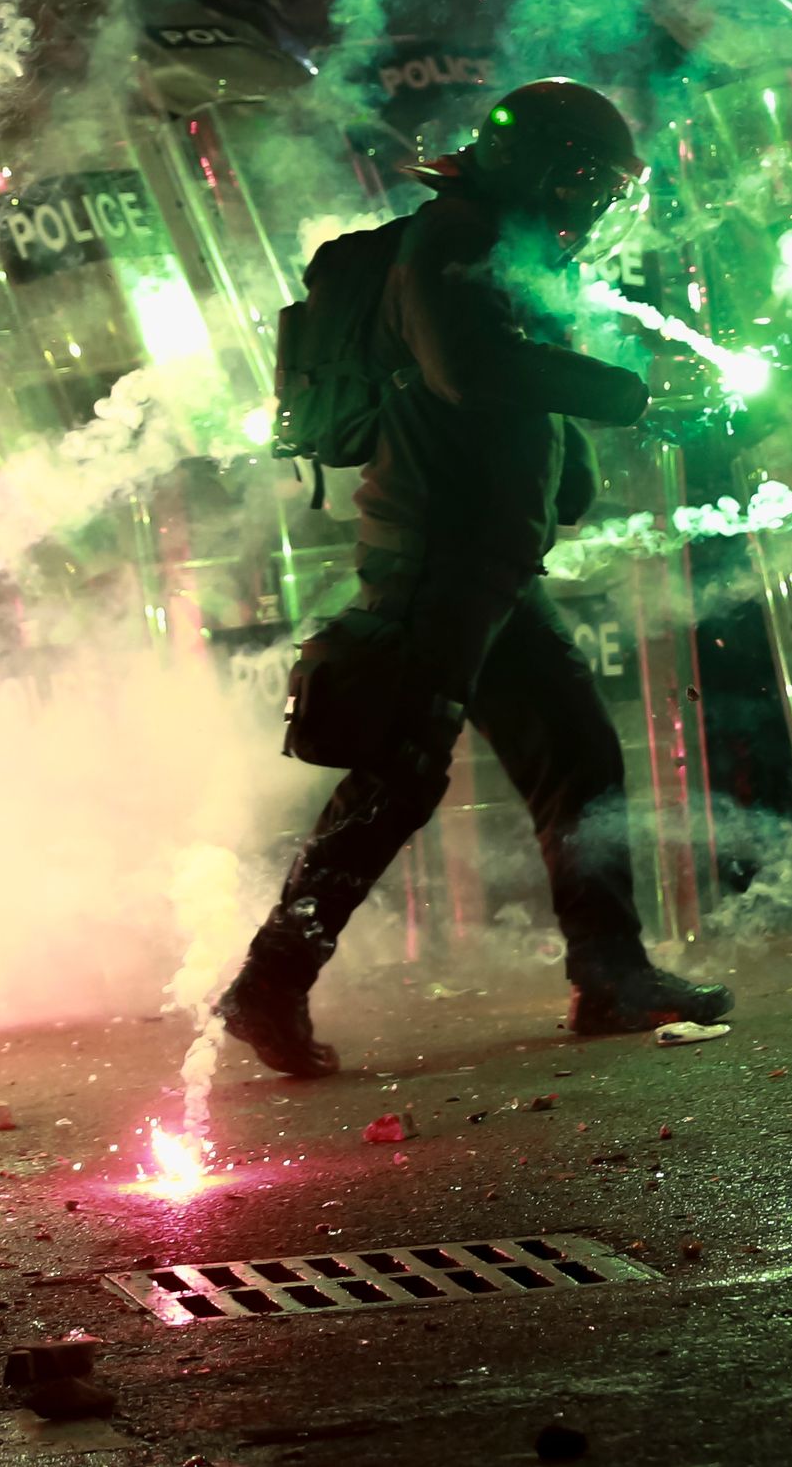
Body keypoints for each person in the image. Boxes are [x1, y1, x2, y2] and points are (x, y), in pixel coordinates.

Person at [218, 80, 729, 1077]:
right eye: (583, 176)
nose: (588, 201)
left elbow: (508, 385)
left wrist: (565, 471)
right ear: (542, 163)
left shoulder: (493, 248)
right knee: (400, 773)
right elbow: (468, 370)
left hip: (485, 567)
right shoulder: (448, 240)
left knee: (574, 754)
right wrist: (631, 395)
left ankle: (611, 973)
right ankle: (269, 982)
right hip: (437, 562)